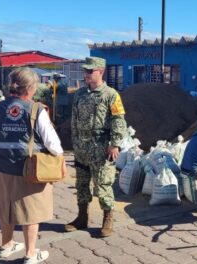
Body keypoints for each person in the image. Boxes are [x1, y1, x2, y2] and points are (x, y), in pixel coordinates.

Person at [0, 67, 66, 264]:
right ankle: (31, 254)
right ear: (30, 88)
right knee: (31, 212)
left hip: (2, 168)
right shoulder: (36, 109)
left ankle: (6, 245)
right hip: (30, 170)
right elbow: (52, 142)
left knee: (6, 208)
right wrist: (60, 158)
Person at [65, 57, 127, 237]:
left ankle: (108, 219)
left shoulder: (111, 95)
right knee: (82, 183)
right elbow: (74, 120)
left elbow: (118, 120)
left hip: (101, 147)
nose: (86, 74)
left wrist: (115, 144)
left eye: (90, 71)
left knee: (103, 184)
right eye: (85, 71)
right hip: (82, 147)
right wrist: (75, 141)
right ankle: (82, 217)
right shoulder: (79, 94)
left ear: (101, 71)